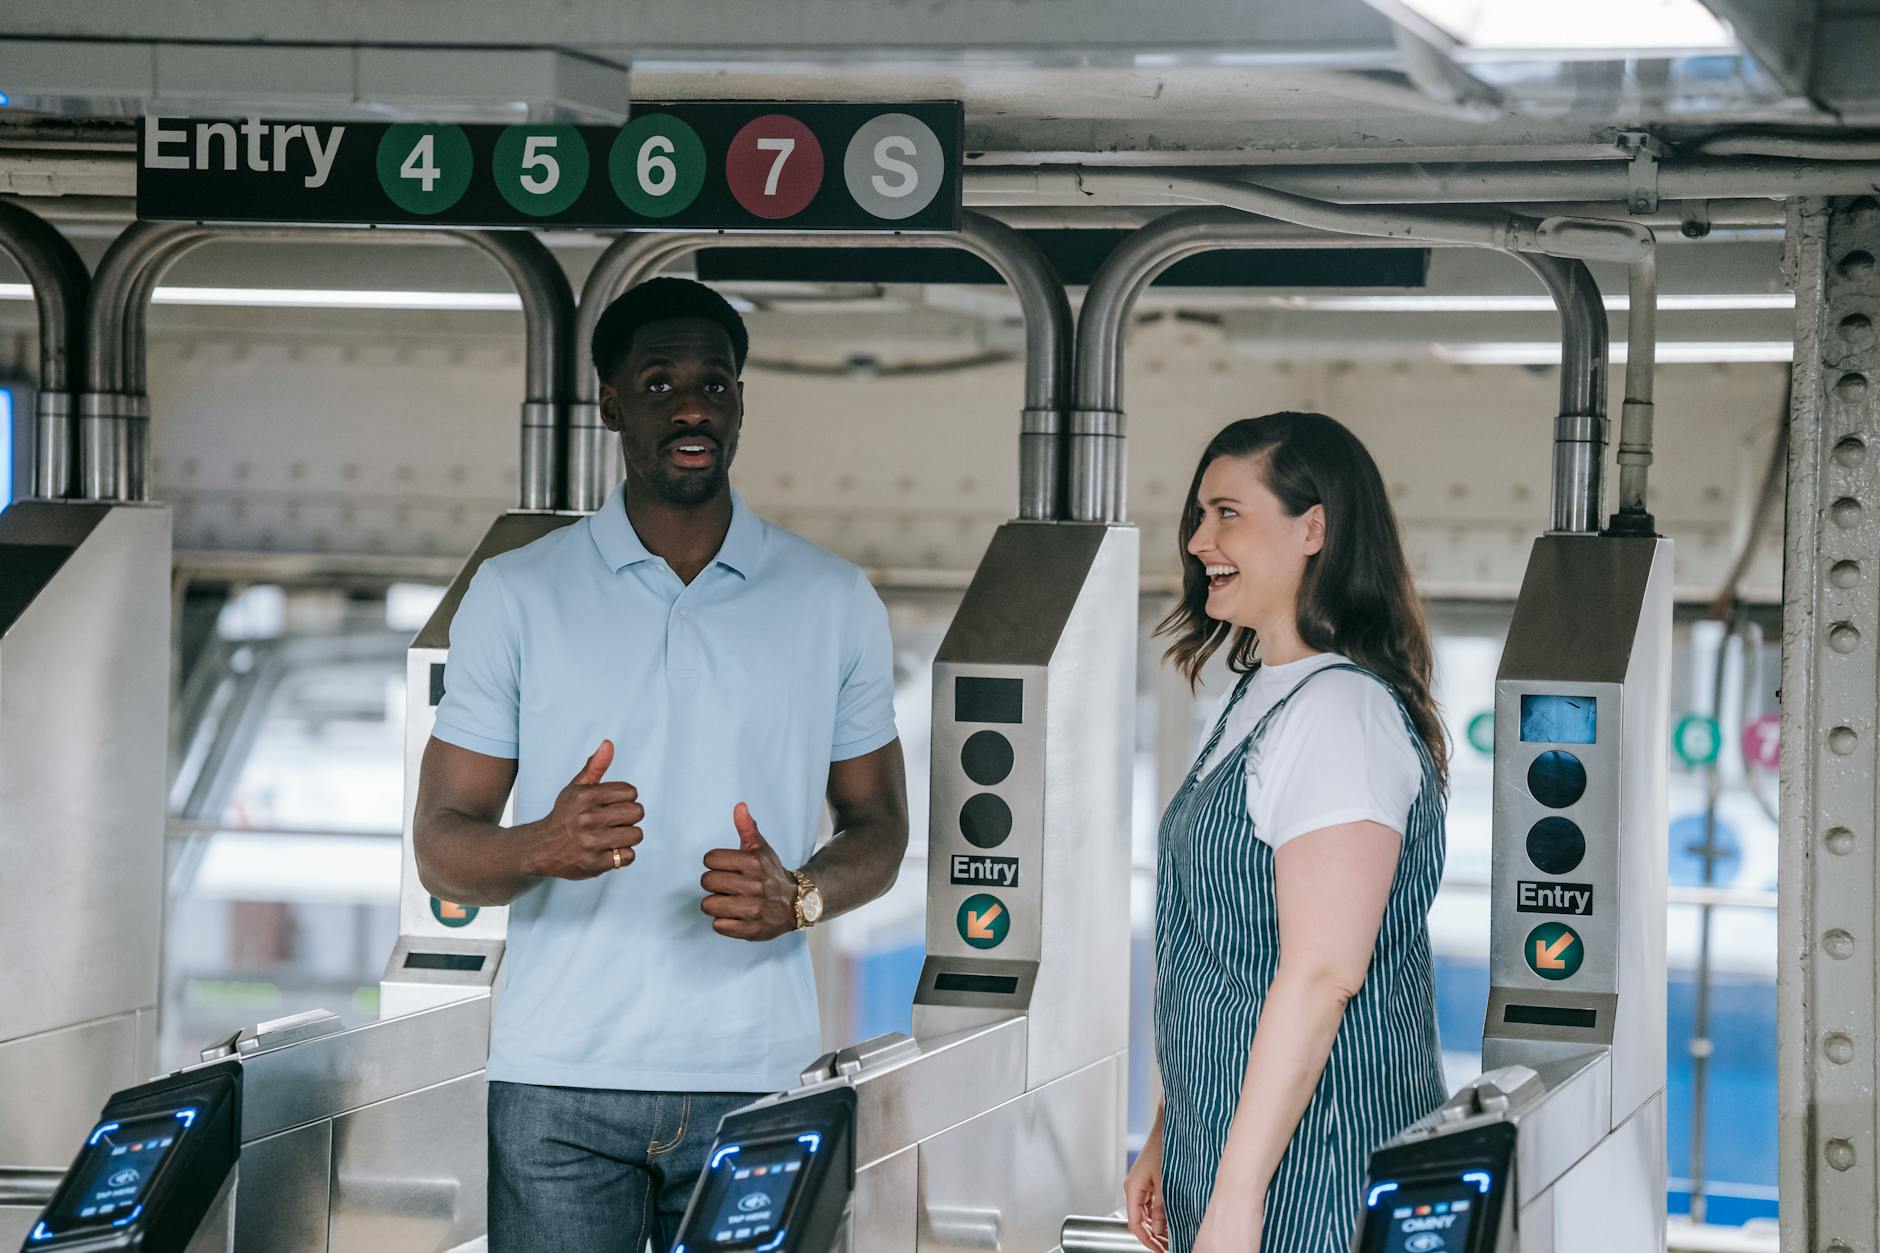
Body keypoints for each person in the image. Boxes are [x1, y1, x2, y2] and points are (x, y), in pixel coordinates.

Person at [412, 276, 910, 1253]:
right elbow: (440, 846)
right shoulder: (517, 595)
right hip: (556, 1085)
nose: (691, 406)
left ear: (737, 401)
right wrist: (540, 843)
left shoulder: (831, 598)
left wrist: (800, 893)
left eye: (715, 385)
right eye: (659, 381)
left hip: (755, 1075)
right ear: (609, 401)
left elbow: (881, 827)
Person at [1125, 411, 1449, 1253]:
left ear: (1314, 528)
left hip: (1318, 1177)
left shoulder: (1340, 711)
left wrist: (1235, 1201)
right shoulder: (1260, 696)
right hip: (1237, 1159)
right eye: (1199, 515)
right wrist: (1168, 1131)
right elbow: (1220, 951)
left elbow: (1321, 976)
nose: (1199, 541)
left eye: (1228, 512)